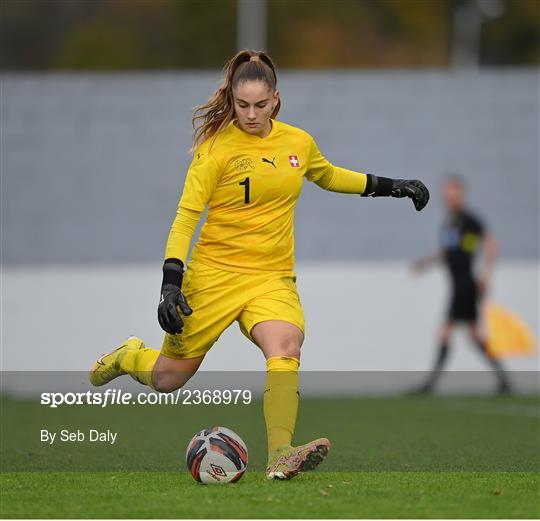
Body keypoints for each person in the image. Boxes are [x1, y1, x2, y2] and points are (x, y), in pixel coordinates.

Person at [90, 49, 429, 480]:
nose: (251, 114)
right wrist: (170, 284)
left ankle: (281, 453)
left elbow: (329, 175)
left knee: (286, 347)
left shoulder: (297, 143)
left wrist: (393, 186)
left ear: (276, 100)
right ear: (231, 100)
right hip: (213, 276)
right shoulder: (214, 149)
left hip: (271, 277)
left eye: (260, 105)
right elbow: (185, 217)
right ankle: (127, 356)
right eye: (242, 105)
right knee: (167, 379)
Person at [412, 175, 510, 394]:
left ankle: (429, 384)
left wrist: (486, 276)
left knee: (446, 333)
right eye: (447, 193)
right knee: (474, 337)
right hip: (458, 285)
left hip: (465, 285)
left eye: (454, 192)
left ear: (461, 194)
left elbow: (491, 245)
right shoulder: (450, 221)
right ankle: (504, 380)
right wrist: (425, 264)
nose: (450, 197)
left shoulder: (469, 220)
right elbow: (448, 252)